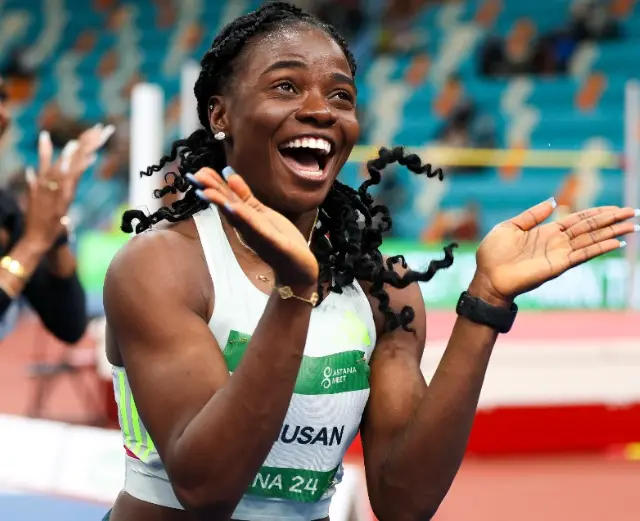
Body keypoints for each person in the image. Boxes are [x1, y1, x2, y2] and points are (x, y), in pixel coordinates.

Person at [102, 3, 637, 521]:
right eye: (285, 86)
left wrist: (485, 305)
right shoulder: (161, 268)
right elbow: (206, 489)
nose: (320, 109)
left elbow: (403, 502)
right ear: (220, 113)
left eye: (341, 95)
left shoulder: (383, 290)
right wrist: (294, 293)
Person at [0, 75, 115, 341]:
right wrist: (31, 244)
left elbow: (69, 325)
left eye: (4, 99)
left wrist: (54, 233)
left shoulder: (4, 208)